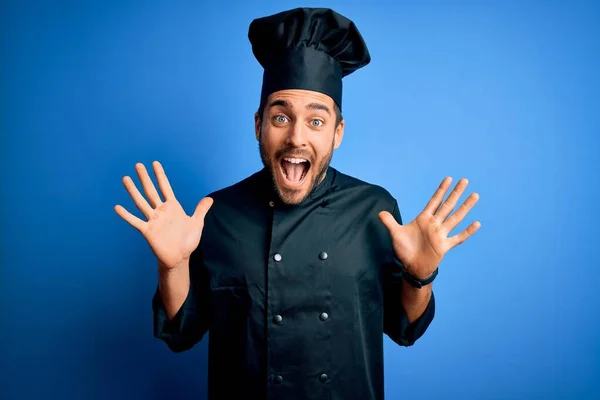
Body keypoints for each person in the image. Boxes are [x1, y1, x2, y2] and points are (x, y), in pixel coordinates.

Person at [114, 7, 481, 400]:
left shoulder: (375, 210)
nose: (296, 138)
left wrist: (419, 276)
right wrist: (173, 266)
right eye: (280, 117)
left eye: (317, 121)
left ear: (338, 133)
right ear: (258, 125)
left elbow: (405, 326)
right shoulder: (215, 214)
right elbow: (182, 332)